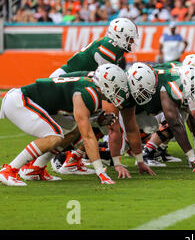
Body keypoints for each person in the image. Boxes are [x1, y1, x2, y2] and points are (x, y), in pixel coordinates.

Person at [0, 64, 129, 186]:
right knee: (54, 136)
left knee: (72, 130)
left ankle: (35, 169)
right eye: (116, 88)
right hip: (20, 101)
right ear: (105, 84)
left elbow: (77, 117)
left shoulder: (90, 84)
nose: (118, 92)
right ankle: (9, 170)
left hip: (33, 103)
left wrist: (95, 120)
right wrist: (101, 172)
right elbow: (88, 136)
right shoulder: (87, 94)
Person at [44, 17, 139, 176]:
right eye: (129, 38)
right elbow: (107, 80)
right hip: (64, 85)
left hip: (71, 84)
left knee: (97, 121)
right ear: (119, 35)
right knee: (104, 121)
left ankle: (74, 158)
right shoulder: (110, 48)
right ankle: (63, 158)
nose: (131, 42)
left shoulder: (112, 46)